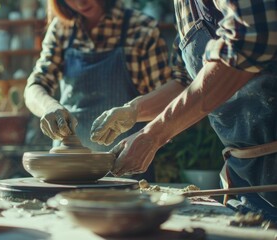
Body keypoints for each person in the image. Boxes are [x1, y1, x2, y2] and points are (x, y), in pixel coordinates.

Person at [91, 0, 277, 221]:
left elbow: (251, 40)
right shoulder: (182, 6)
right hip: (244, 173)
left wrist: (153, 135)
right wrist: (133, 110)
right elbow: (189, 82)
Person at [24, 0, 183, 181]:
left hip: (127, 167)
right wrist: (49, 107)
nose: (80, 2)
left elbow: (171, 99)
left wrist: (135, 114)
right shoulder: (62, 29)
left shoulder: (140, 28)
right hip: (65, 168)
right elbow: (34, 87)